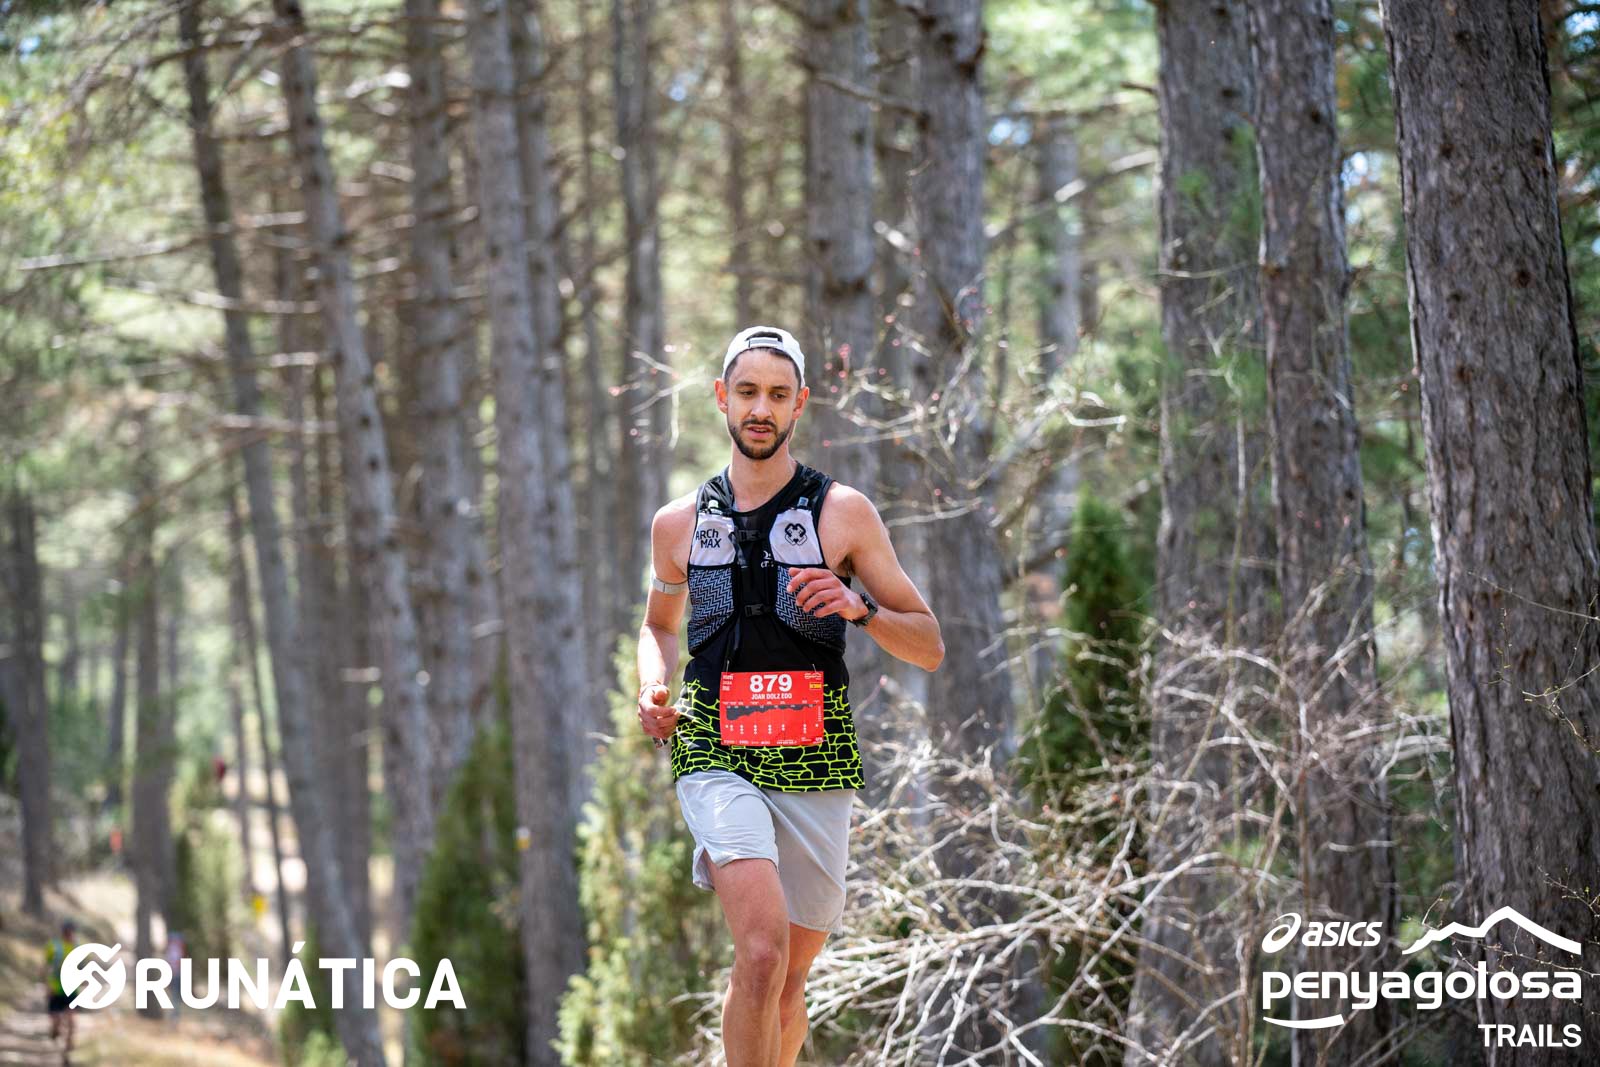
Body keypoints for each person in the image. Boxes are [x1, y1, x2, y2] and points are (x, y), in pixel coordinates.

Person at [638, 325, 944, 1067]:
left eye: (777, 395)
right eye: (747, 392)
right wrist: (652, 683)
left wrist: (860, 609)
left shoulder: (844, 513)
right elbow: (659, 625)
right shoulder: (678, 523)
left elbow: (929, 644)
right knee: (761, 952)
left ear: (799, 403)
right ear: (721, 397)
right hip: (714, 743)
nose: (760, 409)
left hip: (815, 750)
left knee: (787, 984)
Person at [42, 919, 79, 1060]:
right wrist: (47, 985)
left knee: (71, 1019)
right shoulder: (53, 946)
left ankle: (68, 1048)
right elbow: (46, 966)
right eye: (67, 932)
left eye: (71, 932)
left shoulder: (77, 948)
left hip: (71, 989)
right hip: (56, 988)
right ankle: (55, 1031)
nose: (69, 934)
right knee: (56, 1020)